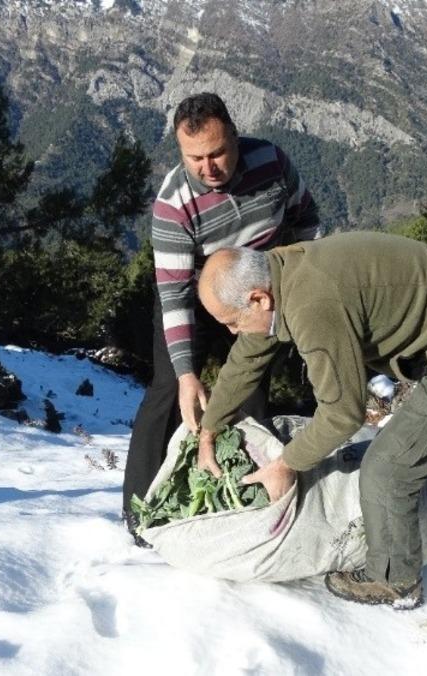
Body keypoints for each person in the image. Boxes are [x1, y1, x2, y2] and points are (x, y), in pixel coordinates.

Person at [195, 232, 427, 609]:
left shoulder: (312, 305)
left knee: (387, 468)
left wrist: (286, 465)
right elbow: (247, 357)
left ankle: (394, 580)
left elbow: (342, 414)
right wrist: (210, 428)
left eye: (231, 321)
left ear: (259, 299)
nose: (232, 331)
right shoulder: (279, 274)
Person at [121, 93, 321, 542]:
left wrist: (300, 276)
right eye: (194, 158)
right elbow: (172, 295)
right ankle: (139, 516)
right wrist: (188, 372)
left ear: (235, 136)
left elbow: (306, 217)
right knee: (169, 390)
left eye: (216, 153)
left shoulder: (271, 161)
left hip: (254, 287)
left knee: (251, 387)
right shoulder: (173, 204)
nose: (207, 167)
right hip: (192, 293)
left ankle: (253, 498)